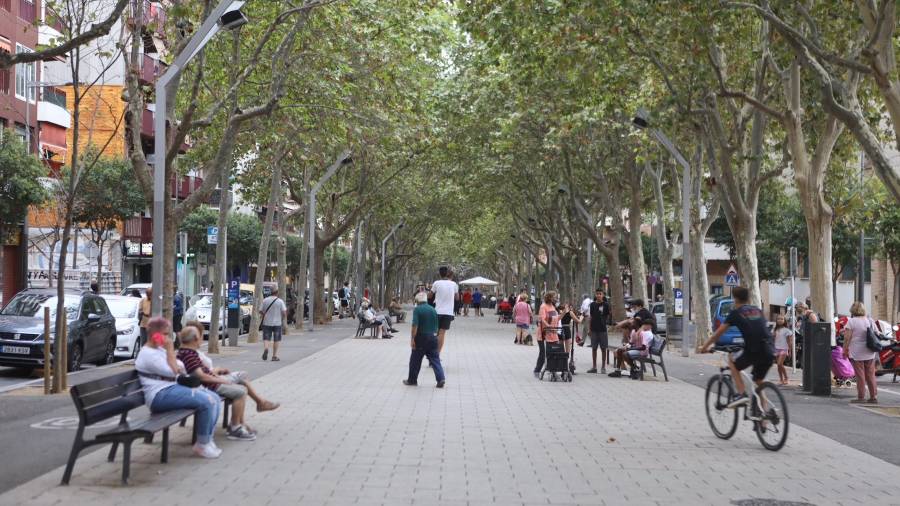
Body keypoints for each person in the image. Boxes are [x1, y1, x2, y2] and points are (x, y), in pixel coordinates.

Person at [135, 317, 222, 459]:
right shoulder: (147, 354)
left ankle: (207, 439)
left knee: (215, 397)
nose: (168, 338)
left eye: (168, 334)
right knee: (207, 401)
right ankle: (202, 444)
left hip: (171, 389)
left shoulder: (159, 351)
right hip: (159, 395)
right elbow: (174, 371)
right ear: (154, 334)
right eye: (164, 334)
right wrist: (170, 351)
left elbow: (180, 366)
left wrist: (172, 359)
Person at [177, 325, 280, 440]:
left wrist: (218, 376)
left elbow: (202, 373)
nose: (201, 339)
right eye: (200, 337)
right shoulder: (189, 354)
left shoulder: (187, 352)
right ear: (195, 338)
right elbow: (201, 376)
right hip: (207, 386)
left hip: (208, 384)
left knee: (241, 387)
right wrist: (221, 380)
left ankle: (240, 423)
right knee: (240, 392)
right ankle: (235, 428)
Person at [701, 286, 775, 408]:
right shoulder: (757, 310)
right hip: (769, 349)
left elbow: (717, 334)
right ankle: (765, 416)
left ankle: (742, 394)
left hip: (754, 349)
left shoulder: (735, 313)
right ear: (748, 299)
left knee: (733, 364)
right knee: (758, 381)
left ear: (735, 299)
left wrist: (704, 348)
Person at [403, 291, 446, 388]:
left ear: (417, 300)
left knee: (415, 359)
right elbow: (437, 325)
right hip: (433, 337)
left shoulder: (417, 310)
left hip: (421, 338)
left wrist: (412, 339)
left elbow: (415, 325)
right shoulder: (433, 309)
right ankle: (441, 378)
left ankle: (412, 380)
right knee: (435, 359)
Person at [841, 301, 879, 404]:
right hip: (870, 350)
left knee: (860, 375)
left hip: (857, 351)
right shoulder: (870, 320)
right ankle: (873, 396)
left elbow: (847, 338)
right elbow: (877, 334)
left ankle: (861, 396)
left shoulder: (851, 321)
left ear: (852, 310)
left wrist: (844, 350)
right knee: (871, 374)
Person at [432, 266, 459, 354]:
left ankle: (432, 353)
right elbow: (457, 298)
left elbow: (429, 295)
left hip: (437, 311)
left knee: (435, 332)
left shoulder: (436, 283)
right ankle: (437, 355)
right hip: (448, 313)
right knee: (442, 333)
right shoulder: (454, 284)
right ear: (448, 273)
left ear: (439, 274)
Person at [534, 291, 560, 378]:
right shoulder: (543, 306)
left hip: (552, 333)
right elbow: (542, 319)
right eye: (554, 297)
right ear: (549, 297)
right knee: (543, 353)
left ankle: (553, 369)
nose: (556, 298)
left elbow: (556, 318)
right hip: (543, 333)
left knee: (552, 352)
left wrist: (563, 313)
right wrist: (548, 325)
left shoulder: (553, 306)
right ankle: (537, 370)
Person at [587, 289, 612, 373]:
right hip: (594, 329)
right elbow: (591, 317)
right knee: (594, 348)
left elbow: (608, 316)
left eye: (600, 294)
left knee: (603, 348)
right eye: (597, 294)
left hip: (603, 329)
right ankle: (594, 367)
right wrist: (589, 329)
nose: (598, 295)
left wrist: (608, 325)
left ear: (603, 295)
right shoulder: (592, 305)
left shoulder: (606, 305)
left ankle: (603, 367)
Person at [259, 287, 287, 361]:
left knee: (266, 338)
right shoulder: (280, 301)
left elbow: (260, 310)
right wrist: (282, 318)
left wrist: (264, 314)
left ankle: (266, 348)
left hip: (266, 322)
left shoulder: (265, 300)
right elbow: (284, 312)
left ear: (270, 292)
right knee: (276, 339)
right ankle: (274, 356)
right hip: (277, 323)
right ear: (277, 293)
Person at [560, 302, 582, 372]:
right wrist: (582, 317)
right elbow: (578, 321)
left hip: (560, 330)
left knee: (561, 349)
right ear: (570, 307)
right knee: (567, 350)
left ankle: (562, 365)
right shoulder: (570, 312)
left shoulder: (560, 312)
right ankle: (566, 366)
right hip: (566, 330)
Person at [773, 314, 793, 386]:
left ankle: (786, 378)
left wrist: (790, 351)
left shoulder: (787, 330)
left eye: (782, 319)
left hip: (784, 348)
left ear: (784, 321)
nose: (780, 320)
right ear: (776, 320)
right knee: (779, 365)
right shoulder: (775, 329)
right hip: (776, 348)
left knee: (779, 364)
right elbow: (773, 339)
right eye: (778, 319)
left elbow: (789, 341)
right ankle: (781, 379)